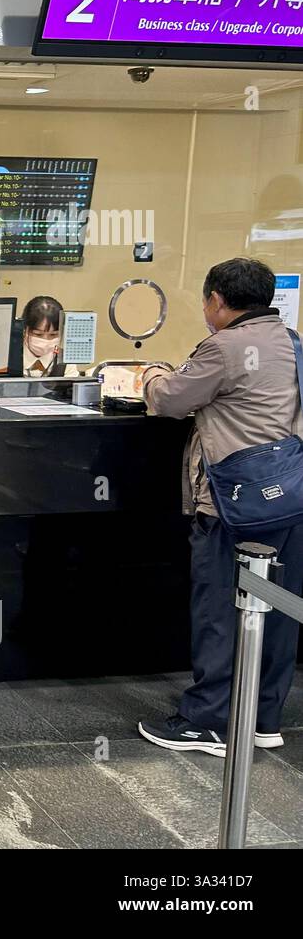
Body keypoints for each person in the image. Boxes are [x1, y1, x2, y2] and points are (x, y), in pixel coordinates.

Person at [139, 257, 303, 755]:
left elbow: (168, 399)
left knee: (218, 609)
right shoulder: (292, 342)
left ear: (216, 300)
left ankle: (206, 721)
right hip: (289, 499)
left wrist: (150, 372)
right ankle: (263, 718)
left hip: (232, 504)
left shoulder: (224, 347)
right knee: (276, 609)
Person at [20, 295, 81, 377]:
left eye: (53, 335)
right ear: (24, 330)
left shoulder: (65, 361)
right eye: (38, 334)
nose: (46, 340)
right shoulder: (8, 358)